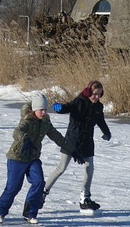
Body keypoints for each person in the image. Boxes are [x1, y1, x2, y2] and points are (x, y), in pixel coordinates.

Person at [0, 92, 81, 225]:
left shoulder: (46, 121)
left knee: (39, 182)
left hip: (33, 158)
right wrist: (26, 140)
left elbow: (57, 136)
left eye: (45, 109)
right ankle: (0, 210)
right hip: (17, 157)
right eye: (41, 109)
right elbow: (17, 132)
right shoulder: (27, 120)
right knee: (13, 187)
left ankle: (30, 213)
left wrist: (73, 151)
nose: (44, 112)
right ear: (34, 109)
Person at [43, 80, 111, 213]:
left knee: (89, 169)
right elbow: (68, 107)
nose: (96, 97)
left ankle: (84, 198)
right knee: (61, 168)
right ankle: (42, 193)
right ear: (89, 92)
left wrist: (107, 132)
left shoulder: (98, 107)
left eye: (99, 94)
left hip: (87, 143)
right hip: (72, 142)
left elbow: (101, 121)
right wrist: (60, 108)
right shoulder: (79, 102)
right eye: (94, 94)